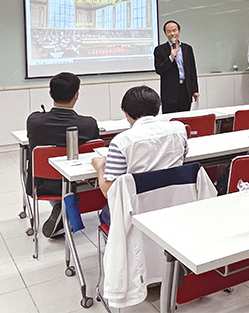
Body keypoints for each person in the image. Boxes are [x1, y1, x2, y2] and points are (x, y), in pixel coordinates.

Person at [91, 86, 189, 225]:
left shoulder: (121, 141)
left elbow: (110, 192)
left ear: (125, 112)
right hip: (174, 204)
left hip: (136, 212)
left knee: (105, 213)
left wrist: (100, 167)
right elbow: (182, 159)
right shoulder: (179, 129)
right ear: (158, 107)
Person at [26, 72, 99, 238]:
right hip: (79, 184)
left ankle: (59, 206)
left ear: (50, 93)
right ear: (77, 95)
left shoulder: (34, 122)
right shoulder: (88, 124)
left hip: (42, 184)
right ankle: (64, 207)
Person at [153, 20, 199, 114]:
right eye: (169, 31)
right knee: (170, 120)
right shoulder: (160, 50)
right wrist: (170, 58)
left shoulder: (187, 48)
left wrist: (194, 90)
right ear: (165, 33)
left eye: (174, 30)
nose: (172, 33)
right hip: (169, 93)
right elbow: (159, 70)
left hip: (185, 91)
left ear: (179, 31)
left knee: (185, 119)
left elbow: (192, 70)